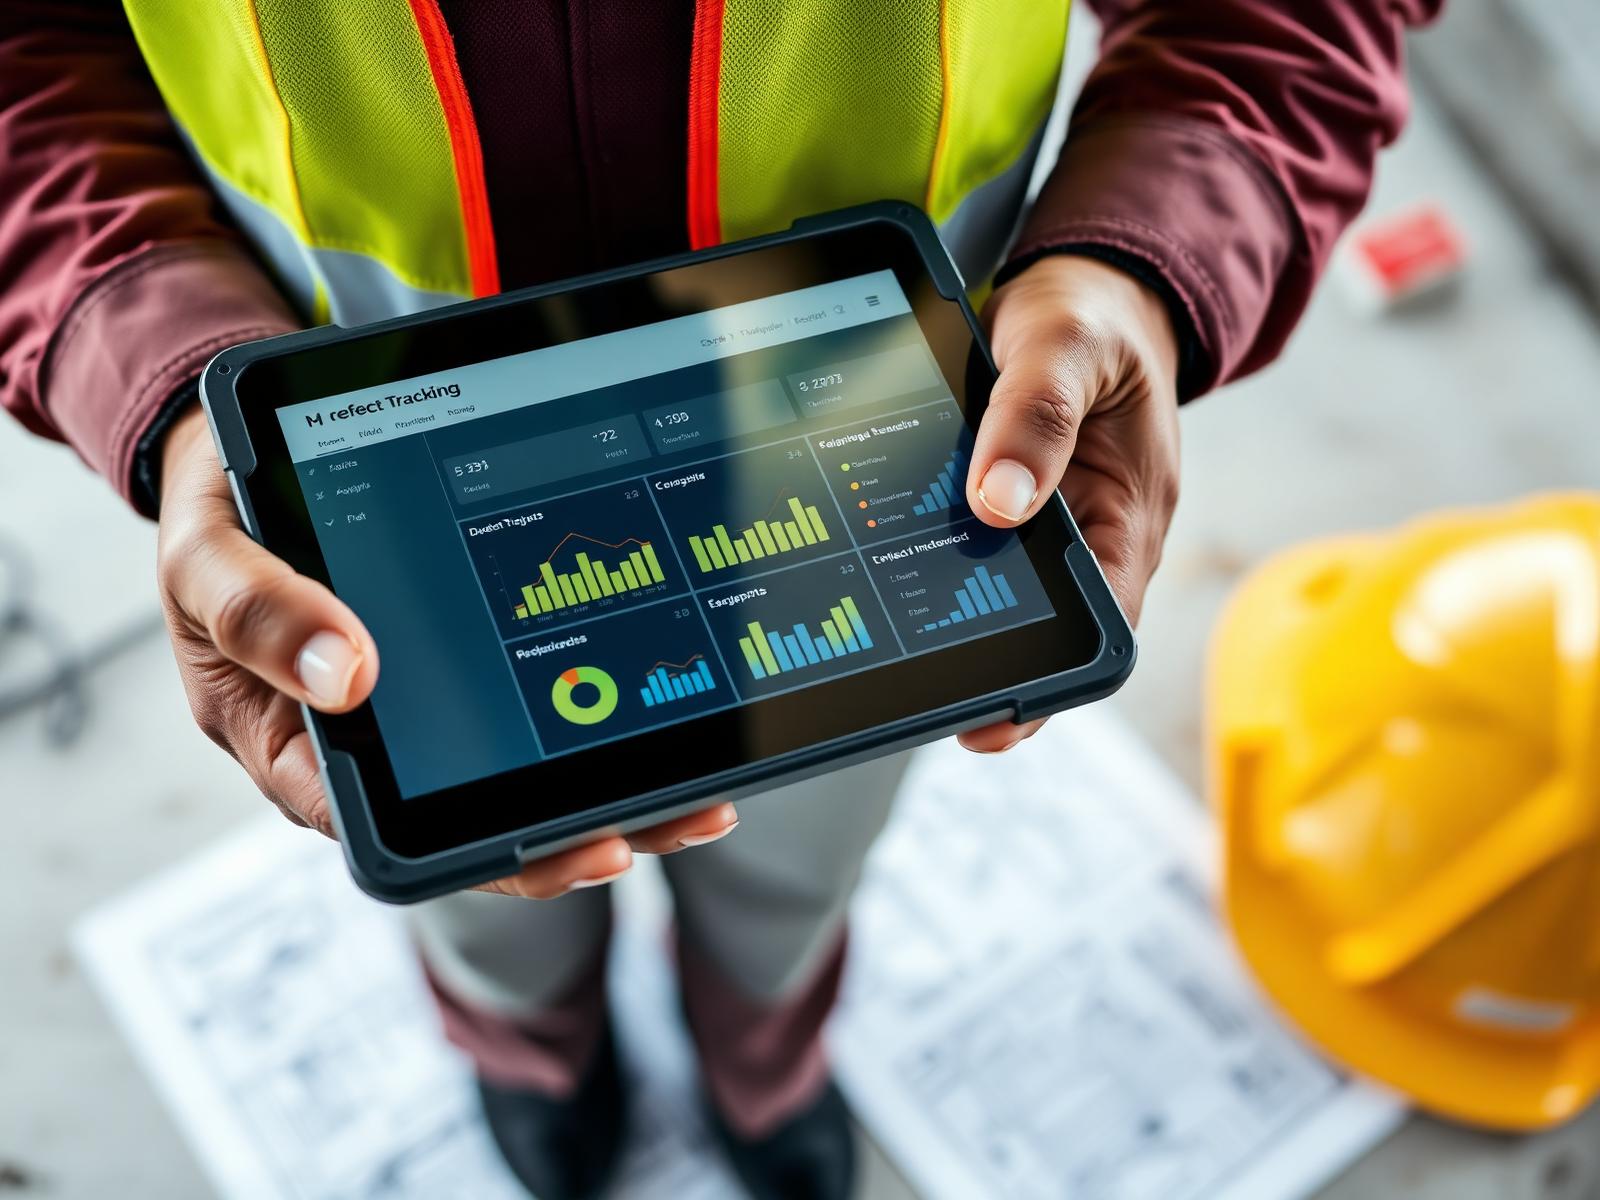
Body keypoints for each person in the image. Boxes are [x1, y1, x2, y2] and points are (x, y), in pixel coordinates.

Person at [0, 2, 1439, 1196]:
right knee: (472, 882)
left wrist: (1147, 259)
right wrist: (164, 365)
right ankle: (531, 1056)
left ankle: (766, 1064)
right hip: (380, 515)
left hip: (875, 465)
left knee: (799, 856)